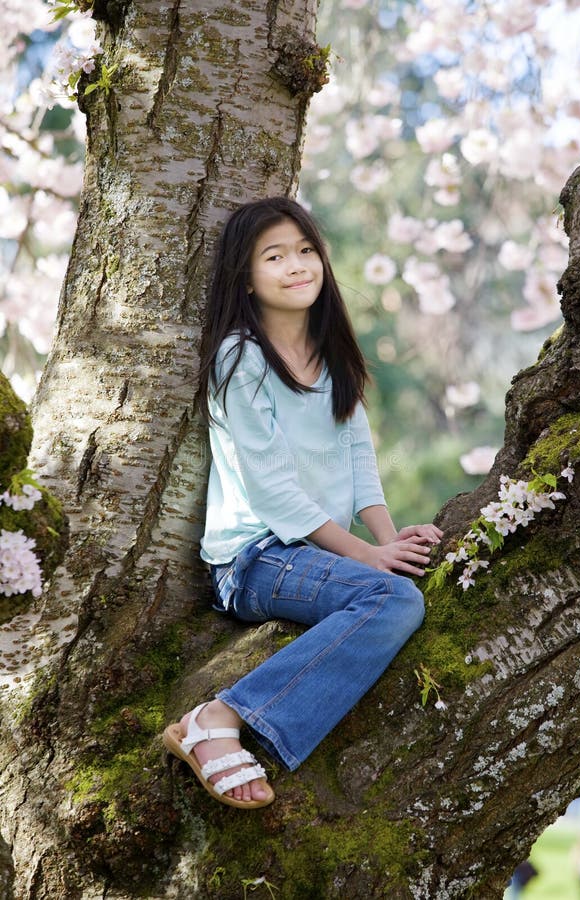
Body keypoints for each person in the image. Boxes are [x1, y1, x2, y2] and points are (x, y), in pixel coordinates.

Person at [162, 197, 442, 809]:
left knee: (397, 586)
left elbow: (359, 461)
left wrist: (387, 539)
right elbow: (273, 493)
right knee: (392, 596)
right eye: (275, 255)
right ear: (246, 276)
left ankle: (235, 717)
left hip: (309, 552)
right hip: (252, 559)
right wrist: (368, 558)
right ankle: (218, 717)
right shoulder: (241, 359)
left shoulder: (332, 351)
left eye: (306, 250)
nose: (297, 265)